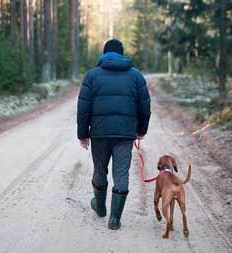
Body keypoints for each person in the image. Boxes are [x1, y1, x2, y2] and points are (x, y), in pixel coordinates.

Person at [77, 39, 151, 230]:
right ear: (122, 54)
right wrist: (141, 130)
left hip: (100, 133)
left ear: (104, 54)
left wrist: (82, 133)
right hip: (125, 134)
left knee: (99, 169)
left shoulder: (92, 75)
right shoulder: (136, 76)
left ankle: (100, 207)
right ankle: (114, 219)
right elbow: (144, 106)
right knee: (121, 173)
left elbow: (83, 108)